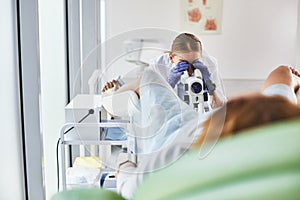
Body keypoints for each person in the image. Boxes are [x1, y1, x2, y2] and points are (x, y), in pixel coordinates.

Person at [114, 65, 300, 199]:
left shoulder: (179, 156)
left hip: (178, 132)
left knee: (148, 78)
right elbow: (284, 73)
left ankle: (112, 100)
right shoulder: (279, 118)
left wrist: (124, 165)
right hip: (214, 123)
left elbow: (131, 186)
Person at [102, 32, 226, 109]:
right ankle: (112, 95)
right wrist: (168, 84)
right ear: (171, 58)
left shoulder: (209, 64)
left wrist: (210, 87)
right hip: (158, 102)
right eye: (184, 63)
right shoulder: (159, 64)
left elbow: (219, 106)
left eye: (194, 64)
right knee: (140, 86)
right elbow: (152, 105)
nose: (189, 70)